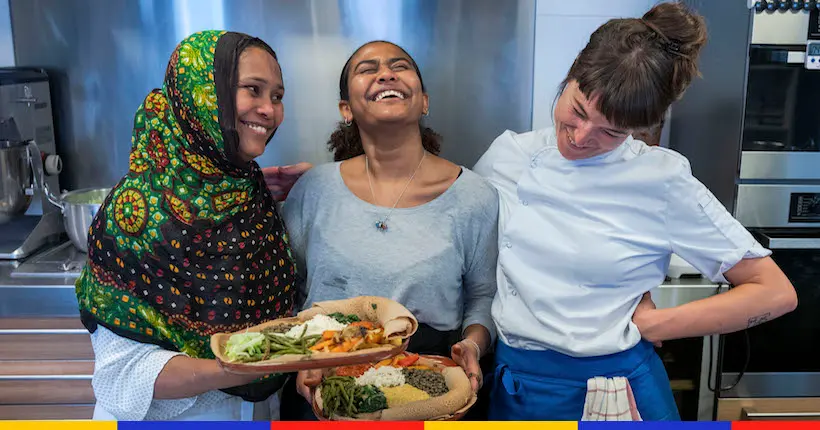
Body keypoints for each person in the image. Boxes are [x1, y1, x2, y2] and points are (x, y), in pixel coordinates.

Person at [471, 2, 797, 421]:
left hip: (611, 392)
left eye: (611, 131)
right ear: (571, 75)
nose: (581, 137)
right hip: (515, 383)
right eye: (577, 110)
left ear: (641, 127)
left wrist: (659, 326)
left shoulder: (660, 179)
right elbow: (471, 242)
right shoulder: (510, 155)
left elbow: (775, 291)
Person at [74, 30, 298, 421]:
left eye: (276, 96)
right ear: (202, 94)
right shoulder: (136, 213)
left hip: (261, 413)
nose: (269, 109)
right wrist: (238, 366)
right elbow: (122, 373)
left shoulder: (250, 193)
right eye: (252, 90)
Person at [274, 40, 499, 420]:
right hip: (322, 382)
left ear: (424, 101)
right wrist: (299, 359)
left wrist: (473, 346)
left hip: (429, 382)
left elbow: (483, 297)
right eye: (367, 69)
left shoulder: (475, 196)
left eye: (399, 65)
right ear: (346, 109)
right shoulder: (313, 190)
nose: (385, 73)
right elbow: (288, 291)